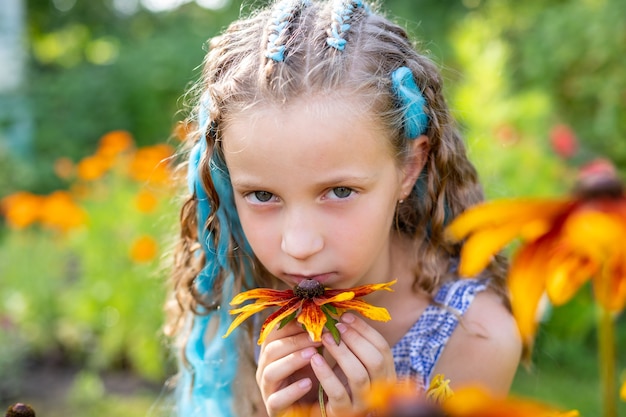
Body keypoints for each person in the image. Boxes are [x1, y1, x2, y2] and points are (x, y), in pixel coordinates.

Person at [164, 0, 522, 416]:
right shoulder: (237, 299)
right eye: (262, 196)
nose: (299, 245)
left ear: (410, 166)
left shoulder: (476, 336)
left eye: (338, 191)